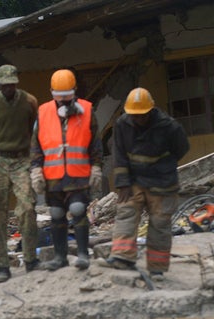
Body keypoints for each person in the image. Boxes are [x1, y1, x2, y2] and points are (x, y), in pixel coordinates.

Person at [99, 87, 190, 279]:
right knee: (126, 213)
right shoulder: (123, 124)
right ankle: (123, 257)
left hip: (162, 182)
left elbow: (182, 148)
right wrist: (122, 183)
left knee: (159, 224)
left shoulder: (168, 127)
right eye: (134, 115)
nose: (138, 119)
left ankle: (156, 267)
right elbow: (119, 154)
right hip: (135, 180)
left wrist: (163, 166)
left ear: (151, 110)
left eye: (142, 115)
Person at [30, 69, 103, 271]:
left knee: (78, 210)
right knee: (56, 214)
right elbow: (36, 145)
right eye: (59, 98)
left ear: (75, 91)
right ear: (52, 92)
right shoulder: (43, 112)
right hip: (53, 176)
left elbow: (95, 144)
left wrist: (96, 167)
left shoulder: (86, 111)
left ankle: (82, 254)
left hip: (78, 174)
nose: (63, 102)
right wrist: (36, 170)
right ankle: (60, 257)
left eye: (67, 97)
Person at [0, 65, 40, 283]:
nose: (9, 88)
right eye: (5, 85)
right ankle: (1, 265)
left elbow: (33, 126)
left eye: (12, 84)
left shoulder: (29, 101)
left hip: (21, 158)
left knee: (27, 207)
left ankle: (31, 257)